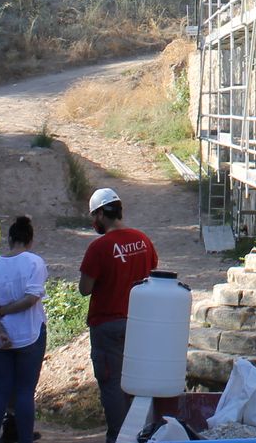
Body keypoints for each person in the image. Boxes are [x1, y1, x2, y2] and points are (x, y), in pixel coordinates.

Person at [80, 188, 158, 443]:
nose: (94, 222)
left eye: (94, 216)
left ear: (101, 214)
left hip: (107, 325)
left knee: (112, 384)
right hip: (139, 323)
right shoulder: (143, 240)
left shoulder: (99, 247)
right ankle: (141, 434)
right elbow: (152, 271)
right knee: (137, 382)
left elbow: (85, 288)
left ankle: (118, 437)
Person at [0, 216, 46, 443]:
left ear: (9, 239)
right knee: (25, 391)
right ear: (30, 240)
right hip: (29, 333)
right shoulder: (35, 262)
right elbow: (32, 298)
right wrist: (6, 310)